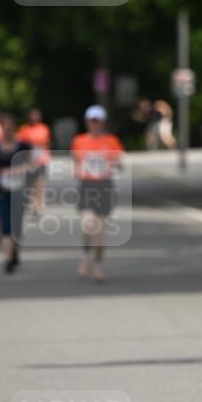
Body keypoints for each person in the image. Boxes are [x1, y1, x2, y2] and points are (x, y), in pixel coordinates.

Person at [70, 105, 124, 283]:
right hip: (87, 185)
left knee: (100, 231)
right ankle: (85, 256)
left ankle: (98, 266)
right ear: (87, 122)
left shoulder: (111, 141)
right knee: (87, 225)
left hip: (104, 186)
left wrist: (113, 165)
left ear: (103, 122)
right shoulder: (79, 141)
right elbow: (75, 162)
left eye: (98, 121)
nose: (95, 124)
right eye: (92, 121)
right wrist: (77, 171)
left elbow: (119, 162)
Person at [0, 114, 32, 273]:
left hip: (19, 191)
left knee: (16, 227)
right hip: (2, 191)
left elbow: (30, 166)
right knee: (5, 226)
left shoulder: (23, 147)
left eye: (9, 127)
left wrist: (19, 170)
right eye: (4, 128)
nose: (7, 131)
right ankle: (8, 259)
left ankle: (14, 251)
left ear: (14, 129)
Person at [16, 107, 51, 216]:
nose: (34, 118)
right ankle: (31, 205)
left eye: (36, 116)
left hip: (41, 160)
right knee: (29, 184)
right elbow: (20, 146)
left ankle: (39, 205)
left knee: (40, 183)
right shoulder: (23, 129)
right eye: (32, 116)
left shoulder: (43, 129)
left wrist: (45, 158)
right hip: (28, 161)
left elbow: (46, 144)